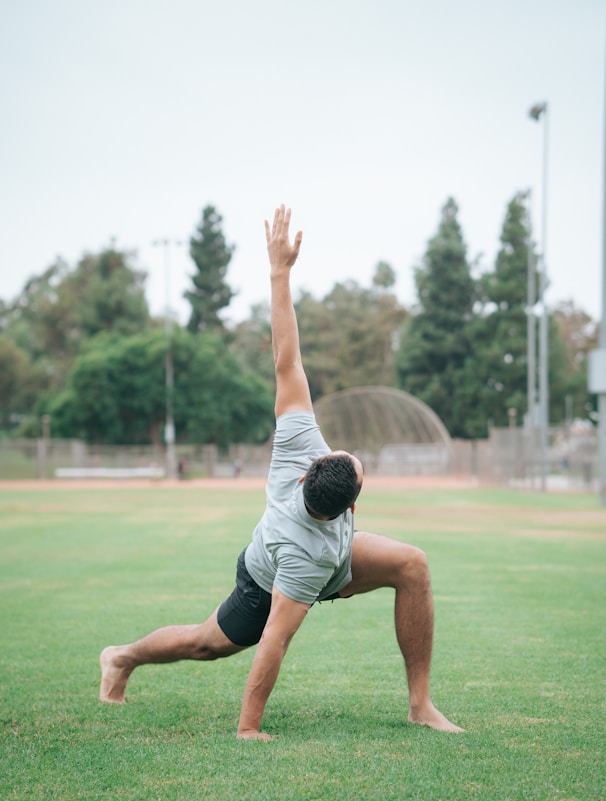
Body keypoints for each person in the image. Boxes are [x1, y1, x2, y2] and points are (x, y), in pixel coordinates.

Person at [100, 205, 463, 739]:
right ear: (347, 502)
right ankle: (123, 657)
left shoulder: (300, 444)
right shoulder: (304, 554)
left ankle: (420, 704)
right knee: (206, 643)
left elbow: (287, 360)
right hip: (269, 576)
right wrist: (249, 728)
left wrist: (279, 272)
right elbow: (275, 638)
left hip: (331, 558)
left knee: (412, 564)